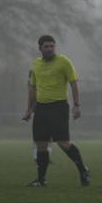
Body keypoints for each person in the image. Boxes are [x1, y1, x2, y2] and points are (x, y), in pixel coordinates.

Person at [22, 35, 90, 187]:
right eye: (46, 46)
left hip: (58, 107)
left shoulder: (64, 61)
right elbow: (32, 89)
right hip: (41, 108)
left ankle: (83, 170)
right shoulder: (36, 65)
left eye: (52, 46)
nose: (50, 49)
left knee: (63, 143)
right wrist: (28, 110)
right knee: (40, 143)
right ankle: (41, 179)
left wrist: (77, 104)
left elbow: (74, 83)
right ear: (40, 48)